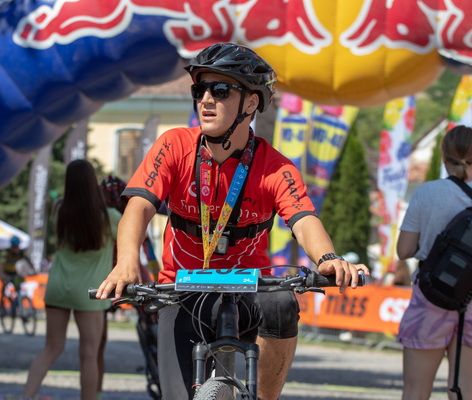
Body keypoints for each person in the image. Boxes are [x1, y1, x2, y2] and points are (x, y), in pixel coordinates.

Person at [96, 42, 369, 400]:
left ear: (251, 103)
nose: (206, 99)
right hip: (182, 289)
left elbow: (303, 220)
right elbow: (139, 207)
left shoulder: (276, 167)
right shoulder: (174, 144)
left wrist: (328, 258)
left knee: (282, 302)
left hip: (248, 291)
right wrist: (127, 260)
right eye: (200, 90)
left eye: (221, 90)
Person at [23, 160, 122, 400]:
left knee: (51, 348)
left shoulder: (59, 210)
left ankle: (26, 396)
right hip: (90, 292)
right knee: (89, 354)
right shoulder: (109, 217)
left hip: (58, 287)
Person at [396, 125, 472, 400]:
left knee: (416, 392)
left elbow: (404, 250)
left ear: (444, 156)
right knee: (465, 392)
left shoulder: (427, 192)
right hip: (471, 301)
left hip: (431, 297)